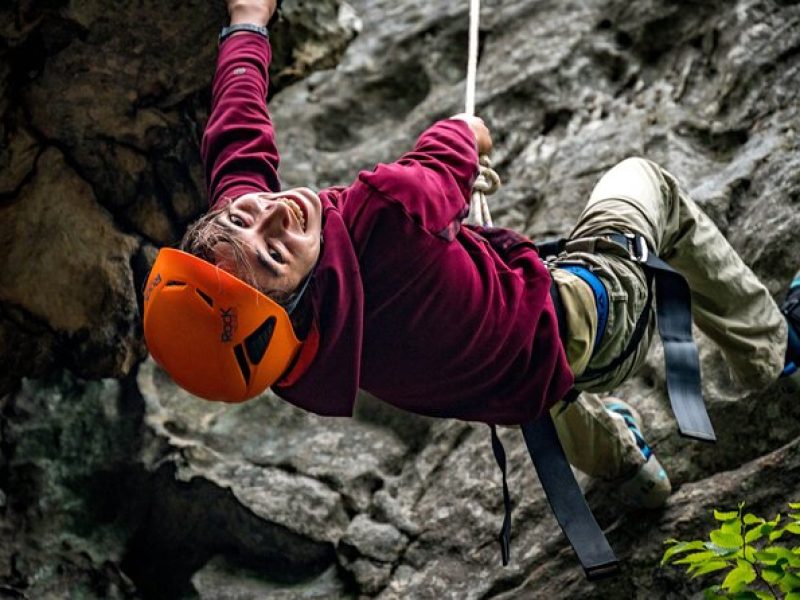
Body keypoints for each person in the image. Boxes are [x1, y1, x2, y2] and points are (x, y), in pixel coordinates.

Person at [143, 0, 800, 510]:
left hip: (497, 387)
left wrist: (246, 22)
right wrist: (469, 142)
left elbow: (236, 136)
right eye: (276, 254)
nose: (273, 215)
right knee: (646, 186)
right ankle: (774, 350)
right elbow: (461, 142)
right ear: (287, 299)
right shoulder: (389, 213)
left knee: (535, 372)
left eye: (242, 214)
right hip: (586, 322)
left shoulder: (282, 347)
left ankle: (628, 470)